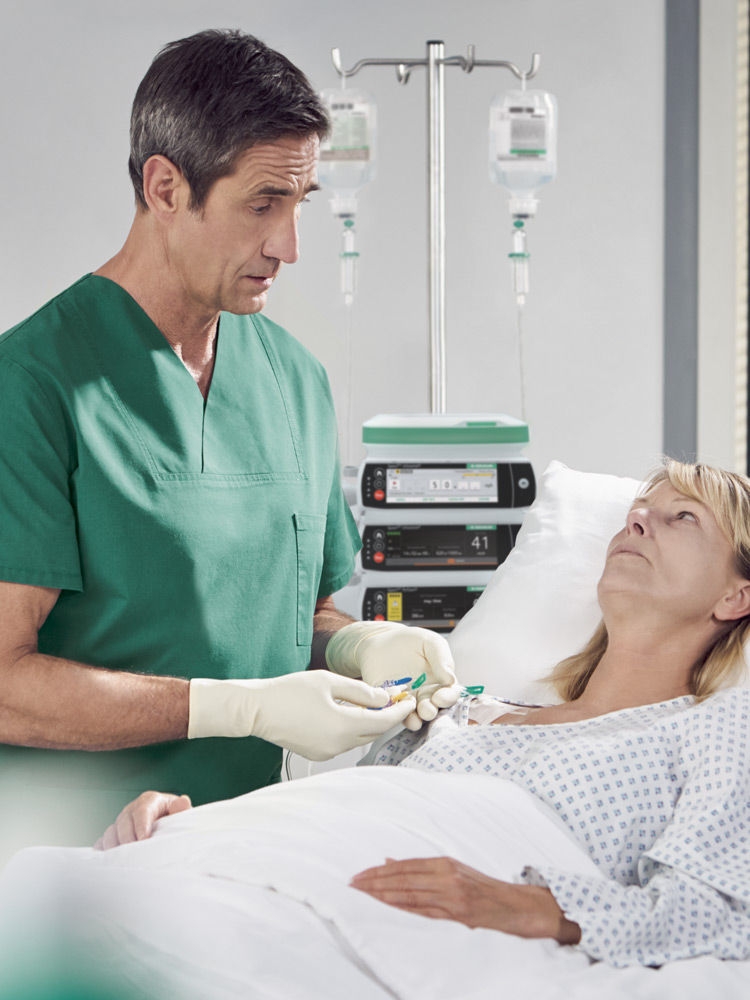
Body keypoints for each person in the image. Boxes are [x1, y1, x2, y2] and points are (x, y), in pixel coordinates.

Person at [0, 28, 458, 847]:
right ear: (166, 187)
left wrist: (357, 645)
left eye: (299, 203)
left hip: (243, 850)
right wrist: (235, 705)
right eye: (262, 205)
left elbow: (295, 611)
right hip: (65, 871)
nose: (288, 246)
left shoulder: (295, 382)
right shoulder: (32, 383)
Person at [81, 458, 750, 976]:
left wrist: (537, 907)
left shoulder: (709, 730)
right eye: (638, 511)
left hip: (393, 909)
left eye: (681, 517)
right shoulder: (463, 709)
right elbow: (339, 820)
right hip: (289, 869)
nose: (637, 522)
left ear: (736, 594)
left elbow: (720, 914)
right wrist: (201, 822)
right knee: (79, 908)